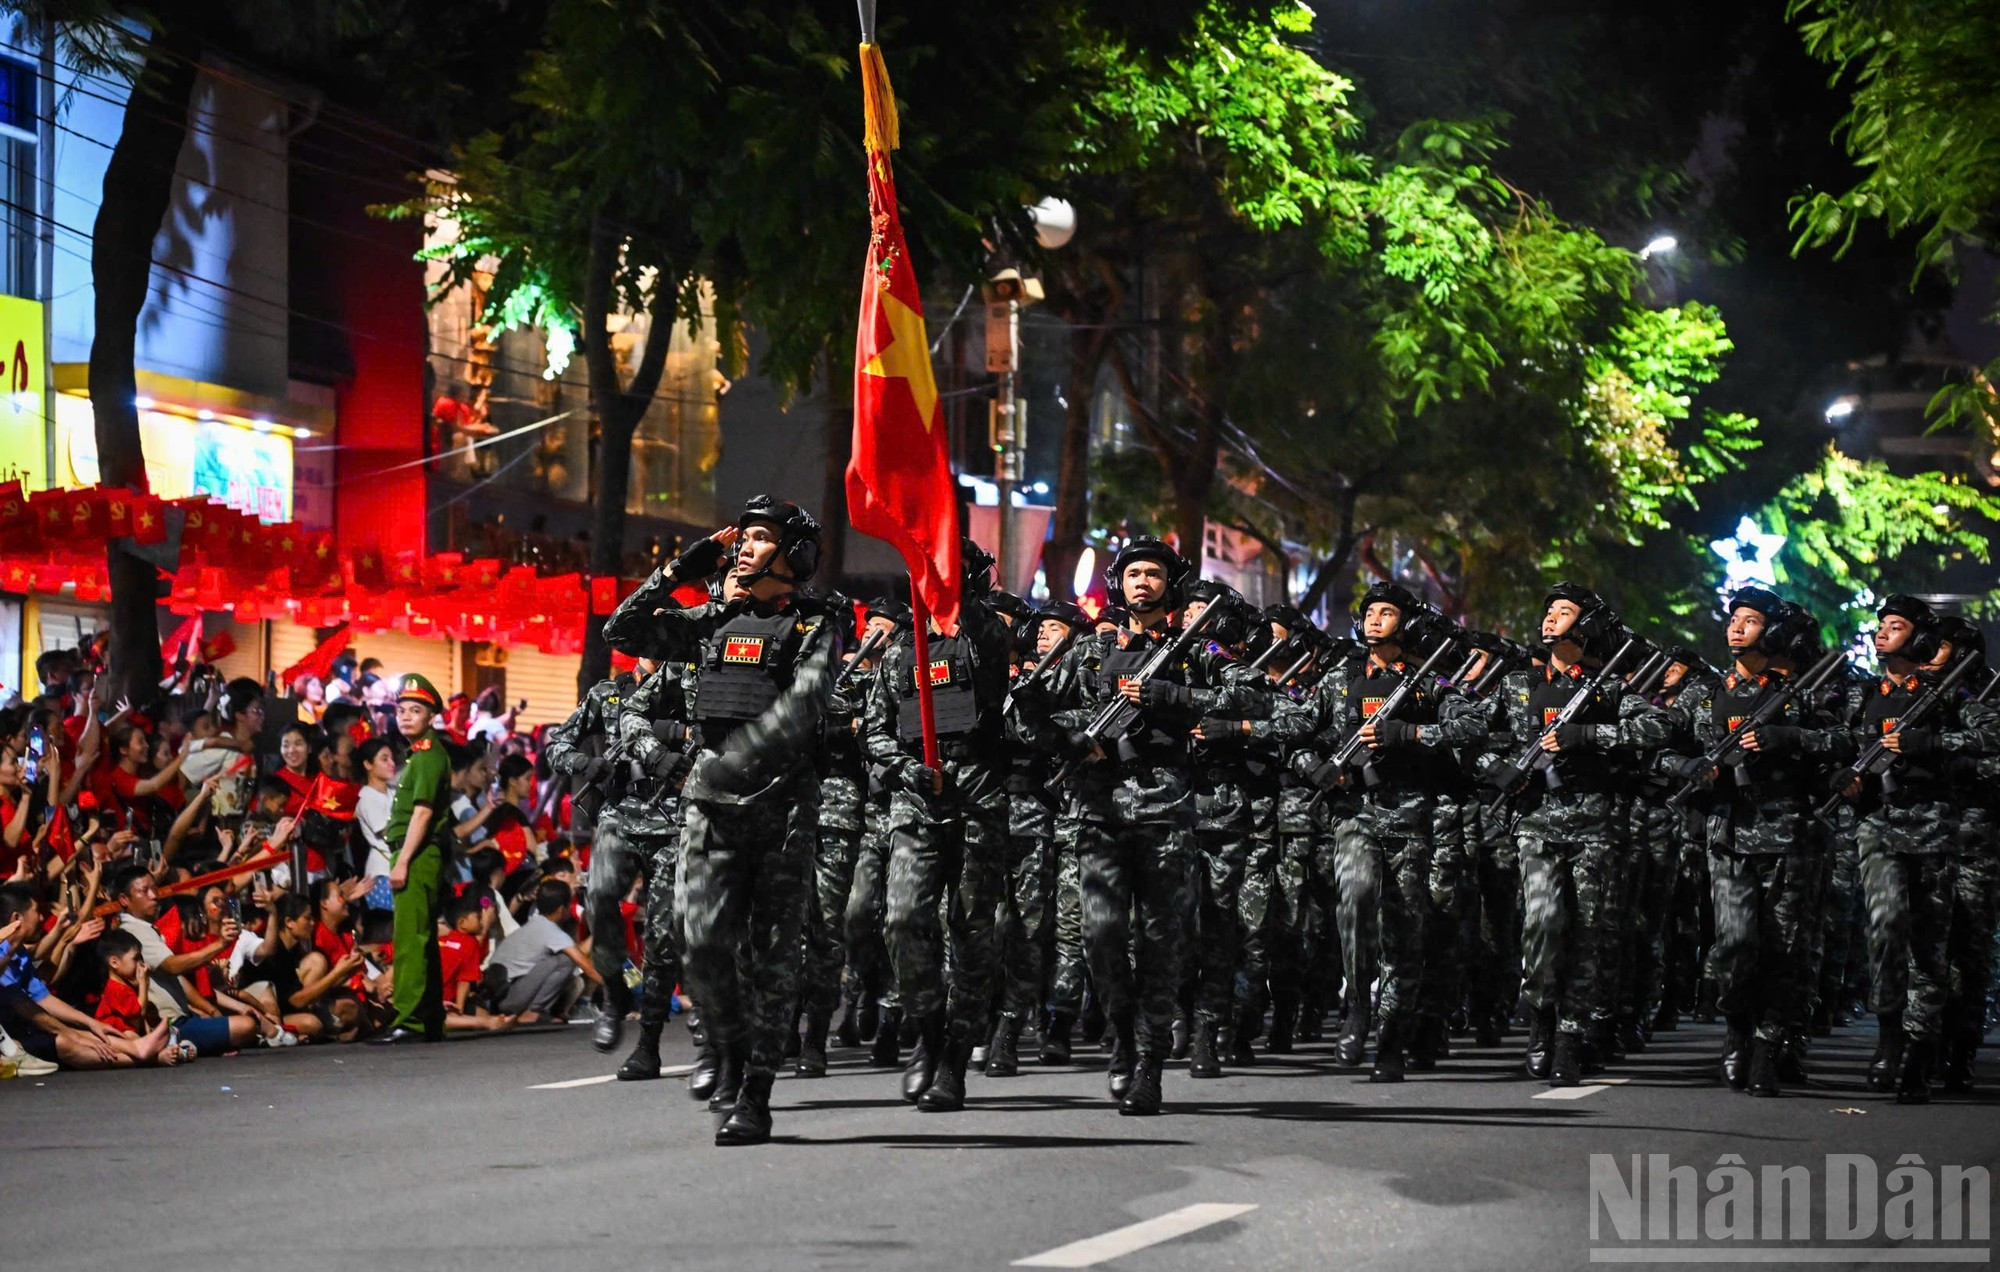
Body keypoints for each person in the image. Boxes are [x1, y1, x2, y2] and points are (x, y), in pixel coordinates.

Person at [602, 494, 835, 1145]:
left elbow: (801, 711)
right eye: (743, 538)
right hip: (710, 808)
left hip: (780, 809)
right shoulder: (712, 622)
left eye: (760, 538)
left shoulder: (817, 628)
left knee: (770, 954)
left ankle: (754, 1093)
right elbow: (620, 632)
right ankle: (725, 1055)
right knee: (700, 943)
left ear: (793, 555)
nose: (744, 547)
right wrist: (682, 567)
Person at [1007, 537, 1203, 1115]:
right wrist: (1069, 738)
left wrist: (1170, 694)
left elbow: (1254, 700)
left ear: (1170, 585)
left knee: (1160, 942)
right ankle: (1120, 1030)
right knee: (1099, 935)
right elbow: (1027, 710)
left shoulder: (1193, 648)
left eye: (1154, 573)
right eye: (1134, 573)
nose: (1143, 582)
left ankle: (1149, 1063)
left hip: (1165, 812)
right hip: (1098, 812)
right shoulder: (1091, 651)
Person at [861, 538, 1013, 1111]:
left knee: (971, 933)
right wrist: (908, 769)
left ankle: (954, 1057)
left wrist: (950, 576)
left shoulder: (986, 635)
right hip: (918, 801)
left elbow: (985, 645)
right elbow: (874, 730)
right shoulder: (904, 646)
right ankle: (925, 1033)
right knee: (901, 919)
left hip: (976, 799)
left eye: (946, 574)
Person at [371, 674, 455, 1045]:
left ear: (431, 716)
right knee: (421, 937)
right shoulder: (422, 755)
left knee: (410, 938)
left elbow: (422, 814)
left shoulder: (428, 757)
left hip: (416, 853)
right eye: (401, 710)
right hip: (418, 853)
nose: (405, 716)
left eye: (415, 710)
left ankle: (410, 1019)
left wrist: (402, 861)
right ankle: (430, 1018)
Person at [487, 879, 604, 1021]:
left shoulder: (535, 925)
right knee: (566, 960)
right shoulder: (551, 931)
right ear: (561, 909)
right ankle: (531, 1012)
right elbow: (585, 965)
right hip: (508, 997)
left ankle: (549, 1012)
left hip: (501, 995)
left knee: (573, 979)